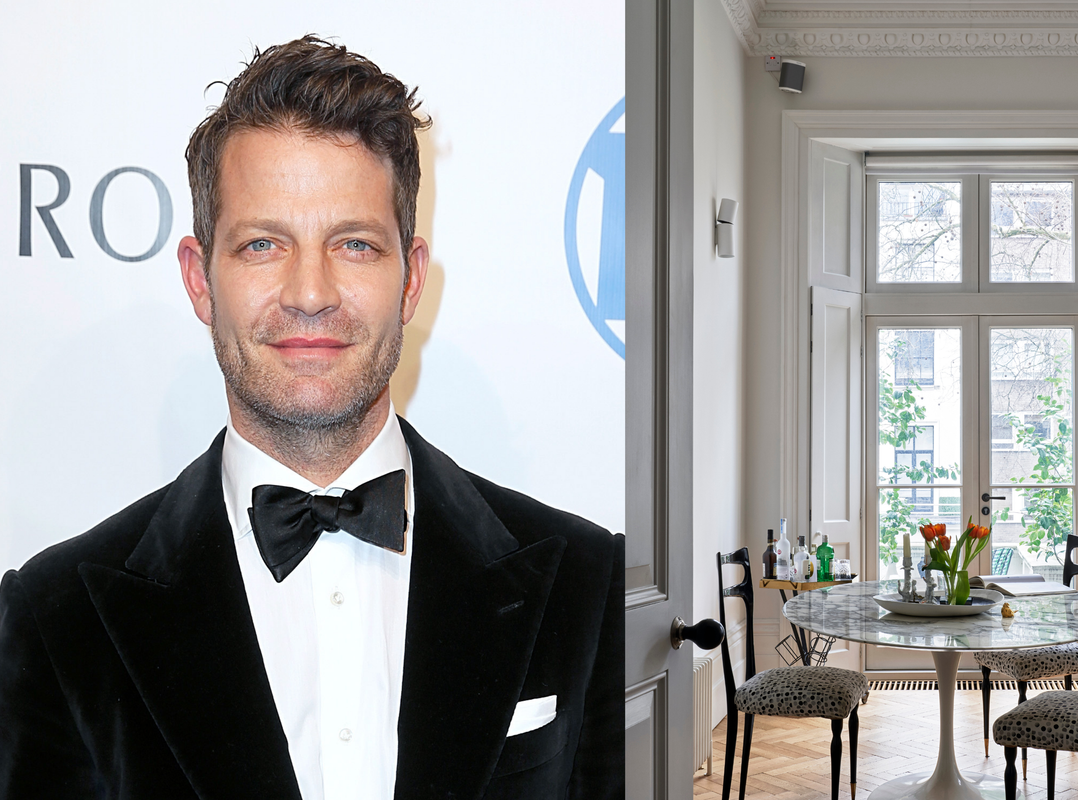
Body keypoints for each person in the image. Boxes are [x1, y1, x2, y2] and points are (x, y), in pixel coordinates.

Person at [0, 36, 623, 800]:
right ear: (201, 280)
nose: (309, 292)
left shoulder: (584, 583)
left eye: (354, 245)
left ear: (410, 279)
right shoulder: (58, 617)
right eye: (263, 244)